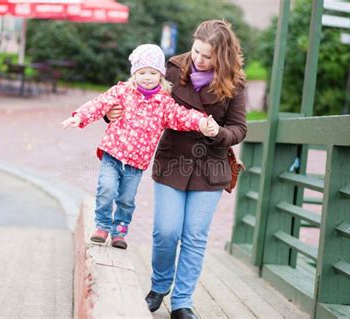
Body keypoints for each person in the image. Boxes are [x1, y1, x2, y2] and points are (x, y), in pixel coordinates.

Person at [105, 20, 247, 319]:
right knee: (166, 232)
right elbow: (138, 99)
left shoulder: (234, 81)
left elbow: (239, 128)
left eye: (208, 56)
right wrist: (111, 114)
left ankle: (182, 302)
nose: (199, 59)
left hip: (211, 165)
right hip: (173, 161)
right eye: (197, 51)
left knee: (194, 235)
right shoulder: (171, 68)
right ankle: (159, 287)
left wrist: (217, 133)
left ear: (222, 57)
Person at [61, 44, 219, 250]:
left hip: (136, 162)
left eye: (153, 73)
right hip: (113, 153)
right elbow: (99, 103)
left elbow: (180, 115)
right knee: (106, 189)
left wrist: (201, 122)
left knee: (126, 199)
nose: (147, 77)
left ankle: (120, 230)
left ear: (160, 75)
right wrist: (80, 116)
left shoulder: (163, 103)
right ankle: (102, 226)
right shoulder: (122, 92)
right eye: (142, 72)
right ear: (134, 74)